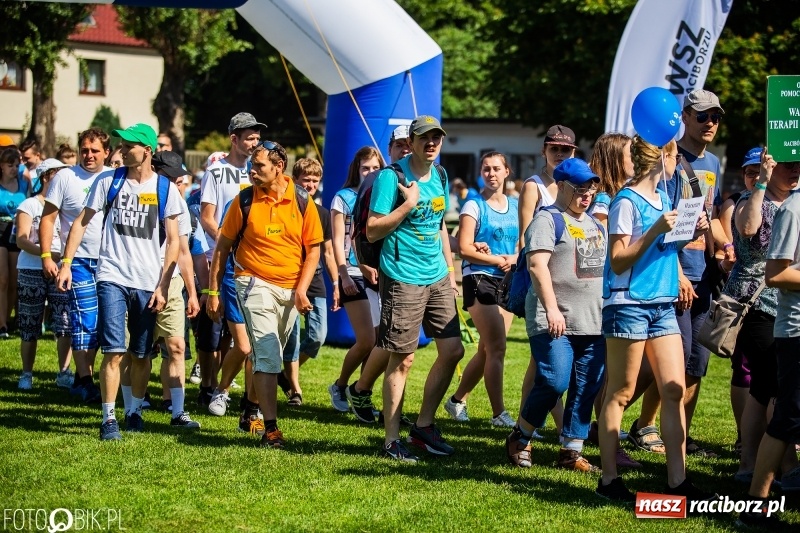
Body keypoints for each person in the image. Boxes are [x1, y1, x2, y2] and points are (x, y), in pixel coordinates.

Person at [596, 135, 711, 502]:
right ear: (660, 158)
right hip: (627, 304)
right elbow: (618, 260)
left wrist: (691, 233)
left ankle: (678, 482)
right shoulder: (624, 202)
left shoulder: (664, 199)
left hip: (662, 305)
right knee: (621, 392)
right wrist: (656, 230)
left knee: (674, 390)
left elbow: (665, 249)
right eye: (675, 157)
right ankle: (609, 480)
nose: (679, 164)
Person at [56, 123, 183, 440]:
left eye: (128, 146)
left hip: (148, 281)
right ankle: (109, 418)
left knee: (141, 355)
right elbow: (80, 224)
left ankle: (134, 411)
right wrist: (67, 263)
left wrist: (164, 284)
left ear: (147, 150)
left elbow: (174, 242)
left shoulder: (165, 189)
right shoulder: (107, 182)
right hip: (111, 275)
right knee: (114, 351)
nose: (121, 151)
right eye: (121, 145)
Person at [207, 140, 323, 448]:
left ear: (278, 167)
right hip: (252, 282)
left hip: (289, 289)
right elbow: (223, 247)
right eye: (251, 164)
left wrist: (300, 289)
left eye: (258, 166)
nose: (251, 170)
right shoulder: (244, 200)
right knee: (268, 352)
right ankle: (270, 428)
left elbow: (313, 250)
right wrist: (213, 291)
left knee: (271, 353)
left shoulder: (302, 200)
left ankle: (249, 407)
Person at [632, 89, 727, 459]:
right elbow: (662, 220)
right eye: (702, 116)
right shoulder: (667, 159)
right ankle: (618, 417)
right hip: (674, 271)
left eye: (716, 117)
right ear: (684, 116)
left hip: (704, 272)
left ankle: (680, 435)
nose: (710, 124)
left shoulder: (715, 164)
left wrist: (726, 247)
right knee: (664, 360)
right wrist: (679, 275)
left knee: (695, 364)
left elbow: (711, 215)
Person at [367, 115, 464, 462]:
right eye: (425, 137)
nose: (432, 143)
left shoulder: (439, 175)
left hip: (436, 274)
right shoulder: (391, 177)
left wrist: (451, 272)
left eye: (437, 137)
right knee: (402, 358)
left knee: (453, 350)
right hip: (402, 275)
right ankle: (392, 440)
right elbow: (373, 229)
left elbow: (438, 226)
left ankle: (423, 427)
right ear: (411, 141)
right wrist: (408, 204)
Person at [507, 158, 606, 472]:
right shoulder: (547, 220)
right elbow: (537, 266)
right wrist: (551, 309)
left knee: (587, 385)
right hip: (553, 318)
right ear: (561, 185)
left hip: (593, 320)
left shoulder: (594, 223)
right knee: (554, 380)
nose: (587, 193)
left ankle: (571, 451)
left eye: (591, 187)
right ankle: (521, 437)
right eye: (580, 187)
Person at [726, 149, 799, 485]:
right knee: (771, 387)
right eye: (788, 166)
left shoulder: (794, 203)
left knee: (763, 389)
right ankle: (774, 469)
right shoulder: (750, 199)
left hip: (781, 306)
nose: (794, 172)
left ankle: (753, 466)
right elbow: (748, 228)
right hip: (753, 304)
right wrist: (762, 185)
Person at [444, 151, 518, 427]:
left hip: (507, 281)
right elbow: (463, 248)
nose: (491, 173)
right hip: (480, 279)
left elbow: (523, 244)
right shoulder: (473, 206)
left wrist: (514, 258)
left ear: (507, 171)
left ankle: (456, 400)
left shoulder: (516, 205)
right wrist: (498, 260)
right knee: (498, 347)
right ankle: (499, 414)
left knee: (488, 349)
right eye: (486, 169)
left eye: (497, 168)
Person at [40, 128, 112, 403]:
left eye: (95, 150)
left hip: (109, 261)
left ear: (107, 152)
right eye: (85, 150)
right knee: (85, 319)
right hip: (77, 260)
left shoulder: (113, 178)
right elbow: (48, 219)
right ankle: (85, 379)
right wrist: (48, 256)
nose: (89, 155)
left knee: (101, 322)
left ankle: (85, 378)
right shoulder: (65, 177)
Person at [197, 112, 263, 406]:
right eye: (248, 137)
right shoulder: (216, 172)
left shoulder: (260, 171)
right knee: (214, 331)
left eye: (256, 137)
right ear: (233, 139)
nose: (254, 142)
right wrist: (229, 241)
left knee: (245, 340)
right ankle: (209, 386)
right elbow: (206, 217)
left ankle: (239, 398)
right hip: (220, 261)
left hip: (253, 263)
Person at [516, 124, 577, 437]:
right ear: (544, 151)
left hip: (572, 285)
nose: (559, 154)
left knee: (539, 361)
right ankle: (560, 426)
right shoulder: (534, 186)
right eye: (554, 148)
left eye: (565, 149)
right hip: (543, 284)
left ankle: (525, 423)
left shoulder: (576, 186)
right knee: (550, 361)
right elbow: (527, 238)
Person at [329, 146, 386, 415]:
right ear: (356, 169)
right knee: (366, 340)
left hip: (379, 272)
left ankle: (363, 393)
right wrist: (343, 273)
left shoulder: (385, 196)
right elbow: (338, 239)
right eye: (366, 168)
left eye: (376, 168)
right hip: (351, 271)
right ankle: (340, 385)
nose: (371, 173)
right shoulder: (343, 197)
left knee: (380, 342)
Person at [279, 157, 338, 405]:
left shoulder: (322, 213)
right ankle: (295, 389)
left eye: (315, 181)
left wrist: (337, 283)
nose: (311, 185)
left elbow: (327, 252)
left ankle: (283, 374)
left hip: (315, 281)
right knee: (291, 339)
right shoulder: (287, 209)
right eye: (306, 180)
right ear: (295, 181)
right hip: (290, 279)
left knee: (317, 335)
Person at [15, 158, 72, 390]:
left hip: (61, 269)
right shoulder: (30, 205)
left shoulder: (66, 205)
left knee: (64, 322)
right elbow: (21, 239)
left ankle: (64, 373)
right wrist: (46, 254)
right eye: (59, 173)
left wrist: (62, 258)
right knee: (29, 323)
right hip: (31, 269)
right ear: (47, 176)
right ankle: (26, 374)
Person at [720, 147, 759, 455]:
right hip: (744, 297)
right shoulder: (740, 204)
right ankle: (744, 438)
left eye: (760, 170)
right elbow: (745, 233)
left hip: (775, 296)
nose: (755, 176)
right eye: (749, 172)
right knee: (743, 367)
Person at [0, 146, 29, 338]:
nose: (13, 168)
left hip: (16, 232)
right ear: (1, 166)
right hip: (0, 231)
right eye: (9, 165)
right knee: (2, 279)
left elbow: (27, 169)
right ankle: (1, 323)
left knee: (13, 281)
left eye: (16, 165)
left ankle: (8, 321)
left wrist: (21, 166)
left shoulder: (24, 184)